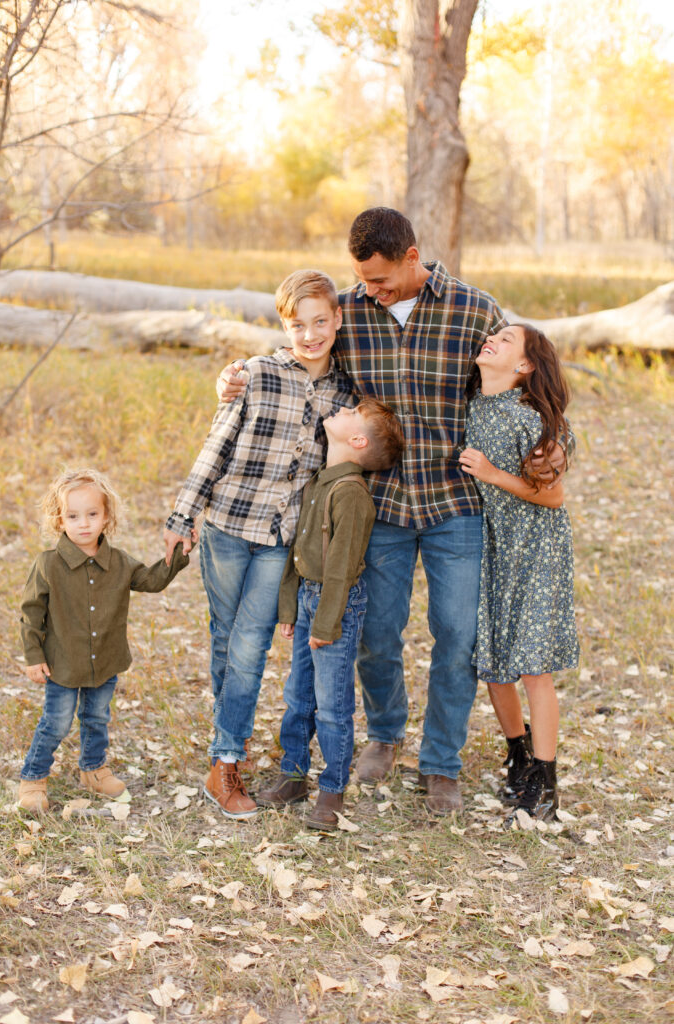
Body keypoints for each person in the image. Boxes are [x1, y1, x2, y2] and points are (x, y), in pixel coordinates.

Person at [218, 207, 567, 816]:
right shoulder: (350, 310)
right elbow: (306, 348)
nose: (369, 291)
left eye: (379, 280)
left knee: (457, 638)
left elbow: (520, 374)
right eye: (362, 279)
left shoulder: (473, 310)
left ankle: (440, 764)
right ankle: (384, 734)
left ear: (412, 258)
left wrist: (552, 436)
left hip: (455, 503)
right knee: (376, 635)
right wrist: (239, 377)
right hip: (378, 504)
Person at [163, 269, 355, 820]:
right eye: (299, 325)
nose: (311, 334)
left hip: (280, 538)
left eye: (321, 322)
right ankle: (227, 755)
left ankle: (226, 763)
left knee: (249, 642)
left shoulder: (346, 393)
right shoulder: (257, 374)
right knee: (226, 639)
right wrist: (183, 514)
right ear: (283, 324)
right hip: (226, 524)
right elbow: (215, 446)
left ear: (337, 320)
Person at [256, 398, 405, 830]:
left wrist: (325, 622)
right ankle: (294, 775)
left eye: (350, 413)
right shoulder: (318, 483)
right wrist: (291, 606)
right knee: (298, 696)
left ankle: (332, 789)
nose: (340, 409)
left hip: (334, 607)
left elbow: (341, 568)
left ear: (356, 440)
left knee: (333, 705)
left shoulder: (351, 494)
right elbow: (299, 550)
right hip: (308, 599)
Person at [459, 324, 580, 822]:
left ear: (525, 367)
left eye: (506, 340)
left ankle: (546, 785)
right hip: (493, 547)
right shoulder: (471, 404)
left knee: (533, 669)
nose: (492, 340)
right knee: (493, 660)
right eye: (494, 335)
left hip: (536, 550)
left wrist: (492, 474)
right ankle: (519, 754)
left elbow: (552, 495)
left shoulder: (529, 419)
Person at [17, 468, 189, 814]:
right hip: (63, 664)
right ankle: (33, 778)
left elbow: (151, 581)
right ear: (59, 519)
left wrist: (179, 554)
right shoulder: (49, 565)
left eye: (92, 514)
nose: (83, 523)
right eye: (73, 516)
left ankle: (93, 770)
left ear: (106, 516)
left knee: (97, 718)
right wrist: (34, 656)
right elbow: (30, 612)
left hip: (105, 661)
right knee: (57, 722)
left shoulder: (120, 562)